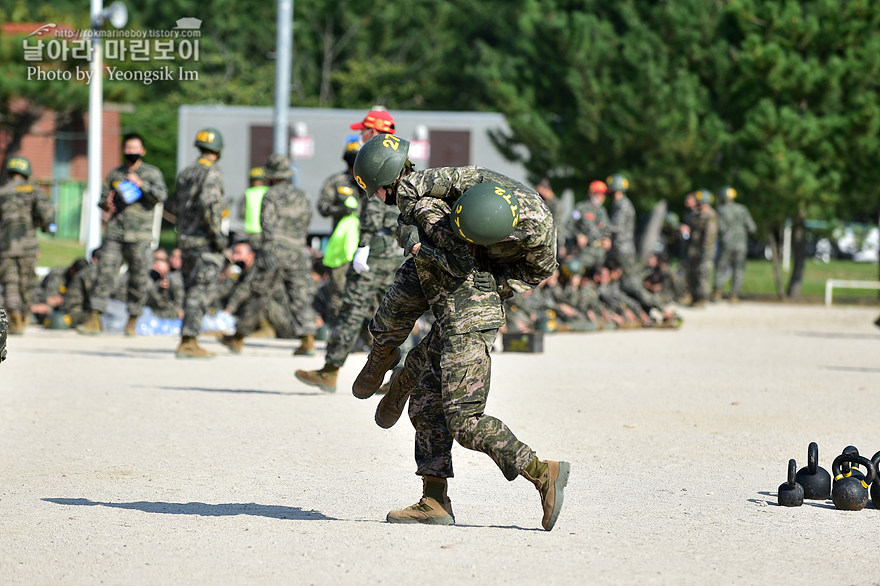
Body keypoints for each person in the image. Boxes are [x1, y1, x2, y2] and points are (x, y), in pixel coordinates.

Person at [350, 134, 570, 531]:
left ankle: (543, 472)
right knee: (425, 404)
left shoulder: (432, 210)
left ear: (382, 186)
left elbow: (458, 262)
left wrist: (416, 247)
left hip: (467, 320)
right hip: (457, 314)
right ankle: (434, 501)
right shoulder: (456, 196)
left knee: (466, 420)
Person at [76, 133, 168, 336]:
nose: (132, 152)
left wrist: (140, 184)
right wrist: (105, 203)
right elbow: (102, 199)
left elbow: (161, 196)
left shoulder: (151, 173)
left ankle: (132, 320)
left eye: (136, 148)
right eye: (128, 148)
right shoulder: (115, 174)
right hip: (116, 233)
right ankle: (94, 318)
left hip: (140, 236)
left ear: (142, 151)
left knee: (138, 279)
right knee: (104, 274)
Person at [173, 127, 227, 358]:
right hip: (204, 241)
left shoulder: (185, 173)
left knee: (190, 287)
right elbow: (210, 206)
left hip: (186, 239)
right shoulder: (212, 173)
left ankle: (188, 337)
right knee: (201, 289)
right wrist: (218, 236)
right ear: (217, 151)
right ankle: (189, 340)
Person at [260, 154, 318, 356]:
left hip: (276, 250)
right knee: (300, 295)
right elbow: (307, 221)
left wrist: (267, 247)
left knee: (258, 290)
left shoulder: (271, 195)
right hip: (298, 250)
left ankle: (238, 337)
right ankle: (308, 339)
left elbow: (266, 223)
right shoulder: (302, 195)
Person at [0, 155, 56, 334]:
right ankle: (24, 318)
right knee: (26, 283)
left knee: (10, 284)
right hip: (28, 247)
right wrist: (49, 227)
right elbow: (46, 212)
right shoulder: (33, 189)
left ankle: (14, 317)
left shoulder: (2, 191)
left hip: (6, 248)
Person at [317, 136, 364, 325]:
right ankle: (338, 335)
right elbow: (322, 207)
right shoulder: (336, 181)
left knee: (365, 292)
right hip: (342, 245)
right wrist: (339, 210)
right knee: (338, 290)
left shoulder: (371, 181)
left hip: (366, 243)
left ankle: (367, 337)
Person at [713, 186, 756, 302]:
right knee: (739, 269)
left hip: (726, 244)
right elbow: (752, 227)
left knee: (721, 268)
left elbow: (720, 228)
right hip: (741, 245)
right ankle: (734, 295)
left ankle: (718, 292)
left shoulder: (720, 210)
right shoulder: (742, 209)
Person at [682, 190, 718, 307]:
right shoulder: (696, 215)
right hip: (694, 249)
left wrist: (706, 251)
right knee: (692, 273)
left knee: (703, 274)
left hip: (704, 250)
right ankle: (693, 297)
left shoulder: (710, 215)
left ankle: (702, 298)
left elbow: (710, 235)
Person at [571, 180, 612, 271]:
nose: (602, 197)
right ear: (591, 193)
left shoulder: (603, 211)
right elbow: (570, 225)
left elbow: (606, 229)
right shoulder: (581, 207)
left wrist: (608, 239)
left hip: (600, 253)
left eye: (603, 194)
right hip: (584, 252)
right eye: (599, 194)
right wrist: (578, 235)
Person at [240, 166, 268, 249]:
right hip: (266, 231)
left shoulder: (248, 193)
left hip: (251, 232)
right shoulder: (268, 192)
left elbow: (242, 213)